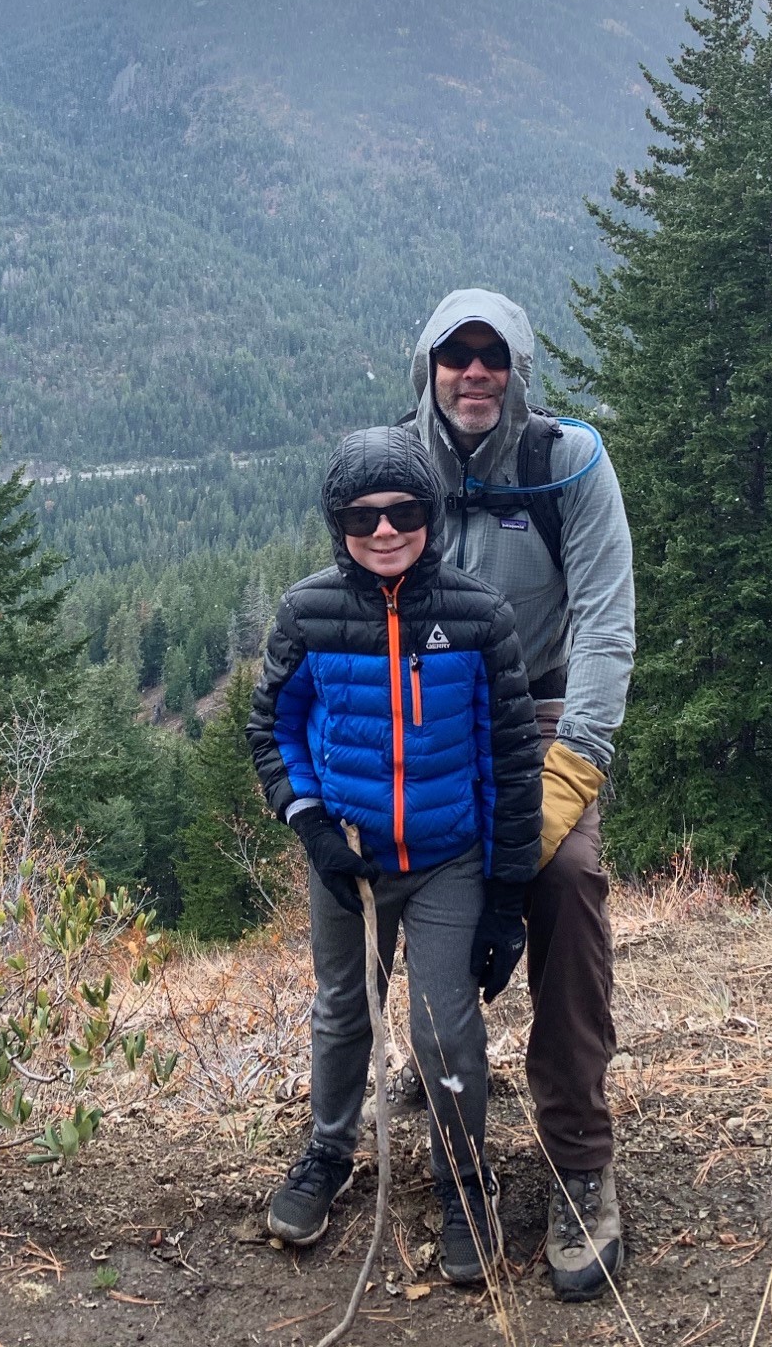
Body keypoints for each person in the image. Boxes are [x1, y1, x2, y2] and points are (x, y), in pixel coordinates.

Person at [246, 425, 541, 1286]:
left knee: (445, 1027)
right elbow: (272, 728)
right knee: (346, 1008)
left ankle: (463, 1181)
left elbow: (512, 762)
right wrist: (310, 826)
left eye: (404, 511)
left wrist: (508, 898)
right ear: (336, 522)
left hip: (451, 858)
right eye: (361, 515)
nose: (383, 530)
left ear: (431, 514)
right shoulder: (308, 613)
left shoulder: (478, 616)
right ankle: (329, 1152)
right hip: (349, 856)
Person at [408, 289, 635, 1301]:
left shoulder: (567, 464)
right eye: (455, 353)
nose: (474, 371)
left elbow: (606, 623)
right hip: (427, 719)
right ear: (428, 365)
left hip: (538, 713)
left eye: (492, 354)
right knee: (397, 876)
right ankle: (425, 1073)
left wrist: (572, 768)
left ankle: (579, 1153)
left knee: (567, 880)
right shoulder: (396, 467)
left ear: (519, 368)